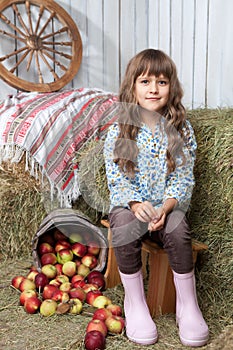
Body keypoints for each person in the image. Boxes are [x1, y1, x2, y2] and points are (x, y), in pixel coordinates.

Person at [103, 49, 209, 347]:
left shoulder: (181, 129)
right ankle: (135, 304)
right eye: (145, 81)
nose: (153, 89)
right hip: (132, 206)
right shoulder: (122, 129)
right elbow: (118, 179)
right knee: (122, 223)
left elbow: (183, 177)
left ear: (171, 88)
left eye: (161, 82)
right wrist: (137, 205)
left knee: (178, 228)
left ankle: (188, 306)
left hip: (166, 207)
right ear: (132, 87)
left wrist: (166, 207)